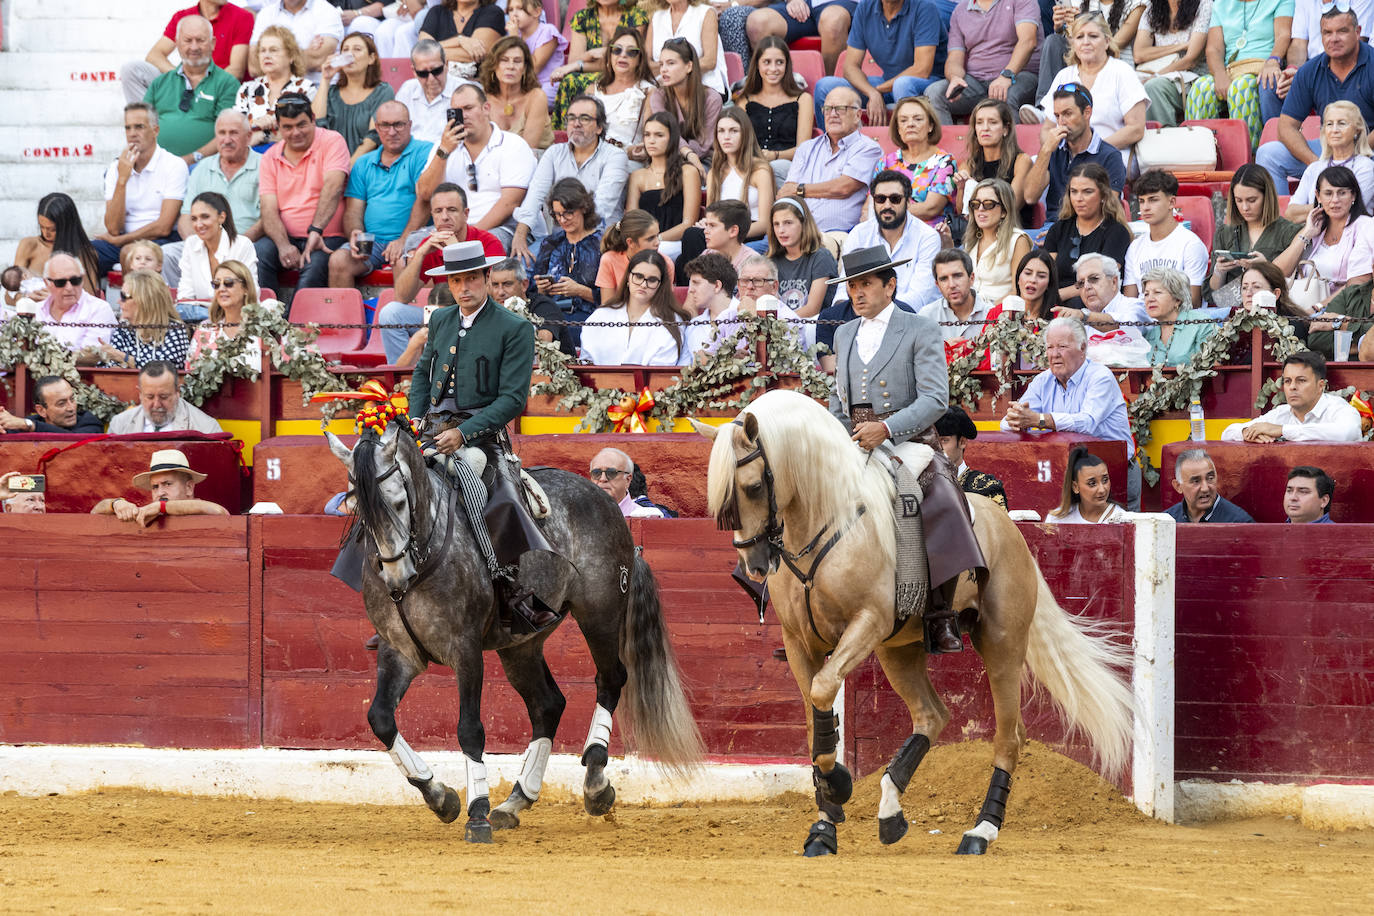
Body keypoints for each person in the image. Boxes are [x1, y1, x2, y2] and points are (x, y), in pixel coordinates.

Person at [825, 244, 986, 654]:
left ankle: (939, 613)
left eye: (866, 285)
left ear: (890, 285)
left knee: (943, 499)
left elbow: (934, 398)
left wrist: (887, 428)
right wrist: (842, 437)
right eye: (852, 286)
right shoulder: (844, 334)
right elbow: (837, 402)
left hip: (909, 440)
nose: (857, 294)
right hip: (856, 441)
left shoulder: (919, 329)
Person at [410, 238, 567, 631]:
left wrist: (464, 434)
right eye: (456, 280)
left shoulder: (513, 328)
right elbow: (420, 375)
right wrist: (415, 422)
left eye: (471, 279)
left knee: (498, 497)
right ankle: (388, 591)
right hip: (430, 428)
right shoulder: (442, 319)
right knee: (385, 481)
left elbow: (513, 400)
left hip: (481, 435)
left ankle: (510, 587)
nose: (463, 288)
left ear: (485, 277)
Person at [1001, 317, 1139, 508]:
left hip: (1112, 475)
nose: (1054, 354)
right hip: (1067, 478)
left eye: (1062, 347)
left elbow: (1087, 422)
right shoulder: (1043, 381)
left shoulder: (1100, 377)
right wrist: (1018, 419)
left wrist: (1040, 420)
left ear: (1082, 348)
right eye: (1050, 347)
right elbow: (1005, 424)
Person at [1256, 6, 1374, 194]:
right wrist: (1317, 165)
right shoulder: (1310, 70)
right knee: (1268, 154)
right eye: (1327, 33)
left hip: (1368, 149)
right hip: (1328, 149)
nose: (1333, 39)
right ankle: (1282, 223)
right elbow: (1286, 127)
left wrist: (1354, 155)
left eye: (1342, 31)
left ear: (1357, 32)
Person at [383, 183, 506, 362]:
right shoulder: (429, 244)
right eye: (438, 211)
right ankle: (401, 379)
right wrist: (420, 254)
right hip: (441, 313)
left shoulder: (487, 242)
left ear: (466, 214)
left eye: (452, 210)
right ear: (432, 215)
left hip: (480, 314)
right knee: (391, 313)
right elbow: (402, 296)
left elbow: (493, 294)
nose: (445, 217)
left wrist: (455, 249)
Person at [416, 84, 539, 249]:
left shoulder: (513, 144)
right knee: (413, 243)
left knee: (488, 244)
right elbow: (425, 193)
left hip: (504, 228)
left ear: (486, 108)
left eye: (468, 108)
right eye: (457, 111)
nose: (463, 116)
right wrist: (444, 151)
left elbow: (510, 203)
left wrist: (468, 237)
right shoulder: (443, 146)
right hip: (455, 230)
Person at [511, 95, 630, 266]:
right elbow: (535, 196)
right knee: (521, 265)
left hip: (599, 239)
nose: (576, 123)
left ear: (599, 128)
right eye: (572, 118)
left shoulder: (615, 156)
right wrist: (520, 235)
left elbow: (602, 205)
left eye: (585, 118)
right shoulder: (554, 153)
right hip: (560, 239)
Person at [253, 93, 351, 301]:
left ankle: (296, 328)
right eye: (288, 127)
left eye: (302, 125)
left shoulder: (332, 141)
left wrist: (316, 230)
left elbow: (332, 188)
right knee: (257, 255)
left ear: (313, 119)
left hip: (327, 236)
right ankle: (269, 322)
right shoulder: (271, 156)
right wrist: (282, 245)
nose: (295, 132)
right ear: (278, 128)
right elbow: (268, 209)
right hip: (286, 237)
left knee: (313, 270)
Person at [327, 100, 433, 289]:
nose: (392, 132)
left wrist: (404, 240)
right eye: (385, 125)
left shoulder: (425, 152)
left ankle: (405, 318)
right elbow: (353, 211)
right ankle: (345, 320)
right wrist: (355, 233)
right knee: (338, 261)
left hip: (414, 238)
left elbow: (425, 201)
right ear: (376, 127)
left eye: (398, 124)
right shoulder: (363, 163)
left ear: (409, 125)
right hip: (373, 242)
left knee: (410, 260)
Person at [166, 111, 264, 290]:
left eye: (233, 133)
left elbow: (267, 218)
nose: (227, 139)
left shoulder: (264, 165)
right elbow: (186, 217)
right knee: (165, 255)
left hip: (245, 242)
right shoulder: (203, 168)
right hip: (202, 241)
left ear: (249, 137)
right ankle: (179, 308)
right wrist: (199, 245)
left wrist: (235, 244)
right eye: (222, 133)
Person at [1029, 12, 1147, 158]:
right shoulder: (1064, 76)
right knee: (1028, 167)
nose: (1086, 42)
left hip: (1109, 155)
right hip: (1067, 156)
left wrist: (1092, 150)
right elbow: (1047, 129)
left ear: (1107, 41)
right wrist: (1059, 154)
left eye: (1093, 36)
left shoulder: (1122, 72)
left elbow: (1136, 129)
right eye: (1079, 37)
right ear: (1073, 44)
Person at [812, 0, 945, 127]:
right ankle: (832, 148)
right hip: (887, 83)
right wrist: (872, 93)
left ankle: (911, 149)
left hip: (926, 83)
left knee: (902, 84)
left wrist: (877, 91)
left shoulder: (925, 7)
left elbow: (921, 70)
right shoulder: (865, 7)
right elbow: (850, 67)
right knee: (825, 87)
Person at [93, 104, 190, 277]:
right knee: (84, 252)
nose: (132, 133)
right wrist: (122, 179)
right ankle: (92, 302)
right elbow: (113, 228)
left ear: (156, 130)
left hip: (160, 240)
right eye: (128, 128)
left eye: (139, 127)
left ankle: (131, 302)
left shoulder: (174, 165)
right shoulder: (116, 168)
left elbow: (164, 227)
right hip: (123, 238)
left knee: (131, 252)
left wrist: (121, 241)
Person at [1182, 0, 1293, 148]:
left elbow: (1283, 35)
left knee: (1241, 88)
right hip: (1231, 68)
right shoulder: (1221, 4)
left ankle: (1248, 158)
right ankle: (1199, 154)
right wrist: (1219, 74)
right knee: (1200, 89)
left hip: (1262, 66)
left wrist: (1273, 61)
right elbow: (1213, 49)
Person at [778, 85, 884, 236]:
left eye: (840, 108)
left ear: (857, 115)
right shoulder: (806, 148)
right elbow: (787, 192)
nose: (832, 114)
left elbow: (843, 188)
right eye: (827, 109)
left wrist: (800, 189)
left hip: (838, 234)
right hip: (798, 233)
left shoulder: (868, 149)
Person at [832, 170, 942, 311]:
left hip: (908, 318)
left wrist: (879, 313)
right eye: (880, 199)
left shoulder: (927, 237)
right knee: (826, 319)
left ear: (908, 202)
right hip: (861, 314)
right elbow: (844, 288)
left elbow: (920, 296)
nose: (887, 205)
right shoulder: (859, 233)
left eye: (895, 199)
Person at [143, 15, 242, 164]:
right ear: (177, 44)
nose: (194, 47)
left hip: (203, 165)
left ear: (213, 43)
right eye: (188, 41)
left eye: (200, 40)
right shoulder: (159, 83)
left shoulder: (227, 84)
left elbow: (228, 135)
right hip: (158, 166)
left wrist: (192, 158)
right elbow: (142, 126)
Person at [1273, 165, 1374, 310]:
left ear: (1353, 195)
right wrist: (1307, 232)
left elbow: (1359, 282)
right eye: (1328, 193)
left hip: (1344, 309)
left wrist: (1318, 308)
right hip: (1302, 308)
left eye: (1342, 193)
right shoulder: (1315, 227)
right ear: (1318, 196)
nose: (1335, 200)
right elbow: (1277, 273)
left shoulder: (1366, 226)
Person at [926, 0, 1042, 124]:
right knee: (934, 93)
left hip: (1019, 74)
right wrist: (955, 78)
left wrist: (1007, 75)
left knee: (1007, 94)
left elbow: (1028, 41)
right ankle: (946, 144)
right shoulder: (960, 10)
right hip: (976, 81)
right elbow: (954, 57)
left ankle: (1012, 143)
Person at [1023, 84, 1127, 218]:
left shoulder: (1110, 156)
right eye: (1057, 115)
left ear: (1087, 112)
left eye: (1067, 114)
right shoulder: (1051, 151)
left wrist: (1064, 232)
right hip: (1052, 227)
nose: (1061, 122)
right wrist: (1045, 150)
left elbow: (1107, 210)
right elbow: (1030, 197)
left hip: (1090, 229)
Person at [121, 0, 254, 104]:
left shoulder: (242, 17)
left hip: (219, 90)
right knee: (132, 70)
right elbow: (154, 55)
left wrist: (202, 85)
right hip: (187, 87)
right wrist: (182, 78)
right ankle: (152, 129)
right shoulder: (182, 16)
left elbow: (236, 71)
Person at [1042, 162, 1133, 309]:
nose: (1079, 198)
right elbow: (1044, 271)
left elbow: (1103, 281)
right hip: (1055, 301)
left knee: (1079, 303)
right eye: (1074, 191)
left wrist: (1055, 296)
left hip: (1094, 303)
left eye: (1087, 191)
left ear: (1103, 195)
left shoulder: (1116, 232)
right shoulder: (1058, 228)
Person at [552, 0, 652, 130]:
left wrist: (588, 60)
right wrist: (589, 55)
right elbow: (575, 60)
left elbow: (627, 57)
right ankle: (566, 133)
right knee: (570, 80)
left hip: (623, 75)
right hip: (592, 74)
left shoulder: (635, 16)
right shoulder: (582, 17)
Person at [1221, 350, 1362, 441]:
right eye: (1287, 381)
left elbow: (1348, 433)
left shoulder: (1338, 408)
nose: (1292, 387)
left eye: (1301, 380)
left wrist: (1282, 430)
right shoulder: (1281, 413)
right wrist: (1248, 433)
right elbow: (1227, 433)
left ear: (1321, 386)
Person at [580, 250, 693, 364]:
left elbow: (662, 370)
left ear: (660, 285)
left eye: (652, 280)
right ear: (628, 277)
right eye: (639, 277)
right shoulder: (601, 315)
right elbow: (586, 362)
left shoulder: (672, 320)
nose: (644, 285)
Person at [1210, 164, 1302, 299]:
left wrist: (1265, 267)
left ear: (1266, 197)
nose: (1245, 207)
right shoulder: (1225, 232)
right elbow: (1212, 292)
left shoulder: (1288, 232)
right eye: (1239, 200)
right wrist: (1219, 271)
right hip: (1231, 310)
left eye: (1252, 200)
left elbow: (1293, 283)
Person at [528, 178, 605, 333]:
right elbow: (533, 294)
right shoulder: (551, 243)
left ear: (583, 208)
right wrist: (542, 290)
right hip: (553, 318)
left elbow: (614, 298)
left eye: (568, 213)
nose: (562, 220)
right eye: (557, 214)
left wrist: (579, 291)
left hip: (592, 319)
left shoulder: (602, 244)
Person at [1121, 169, 1208, 304]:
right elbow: (1129, 303)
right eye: (1141, 201)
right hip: (1141, 320)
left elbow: (1193, 302)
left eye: (1153, 200)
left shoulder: (1190, 244)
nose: (1145, 207)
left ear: (1171, 202)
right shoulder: (1135, 247)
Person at [872, 95, 958, 231]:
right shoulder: (886, 162)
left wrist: (887, 212)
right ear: (898, 129)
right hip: (887, 233)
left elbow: (930, 208)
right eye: (903, 120)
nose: (910, 124)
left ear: (930, 126)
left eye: (918, 119)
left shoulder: (944, 162)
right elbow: (870, 205)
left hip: (928, 234)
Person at [734, 36, 815, 180]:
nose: (773, 68)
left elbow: (803, 150)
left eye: (779, 62)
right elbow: (740, 144)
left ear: (787, 65)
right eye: (767, 62)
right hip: (751, 165)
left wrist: (775, 155)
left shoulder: (803, 99)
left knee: (771, 169)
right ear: (757, 65)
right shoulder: (744, 100)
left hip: (788, 167)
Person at [625, 112, 703, 262]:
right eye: (647, 135)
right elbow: (632, 220)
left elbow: (688, 223)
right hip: (644, 244)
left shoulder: (688, 172)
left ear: (672, 138)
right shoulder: (638, 175)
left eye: (659, 135)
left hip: (675, 244)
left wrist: (655, 239)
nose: (651, 140)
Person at [311, 31, 395, 162]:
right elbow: (315, 126)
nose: (350, 54)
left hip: (365, 166)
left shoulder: (383, 91)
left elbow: (372, 138)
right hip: (328, 164)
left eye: (357, 49)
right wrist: (325, 79)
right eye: (345, 50)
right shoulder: (331, 92)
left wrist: (347, 168)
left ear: (371, 58)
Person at [954, 99, 1036, 230]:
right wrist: (962, 189)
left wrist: (977, 196)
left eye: (992, 122)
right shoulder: (968, 165)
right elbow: (962, 212)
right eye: (979, 123)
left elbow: (1012, 206)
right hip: (976, 234)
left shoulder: (1021, 161)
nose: (985, 128)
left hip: (1010, 233)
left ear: (1005, 129)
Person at [177, 191, 260, 320]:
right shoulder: (191, 244)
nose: (198, 224)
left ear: (221, 217)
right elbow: (185, 296)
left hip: (236, 318)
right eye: (194, 219)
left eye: (205, 217)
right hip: (198, 319)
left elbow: (250, 292)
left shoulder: (242, 245)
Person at [1286, 101, 1374, 222]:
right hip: (1315, 237)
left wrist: (1315, 208)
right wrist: (1330, 206)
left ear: (1357, 130)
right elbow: (1290, 213)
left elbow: (1350, 210)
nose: (1334, 130)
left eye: (1342, 123)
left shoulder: (1366, 167)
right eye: (1329, 124)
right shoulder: (1314, 168)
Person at [91, 449, 229, 525]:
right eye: (155, 487)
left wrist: (161, 507)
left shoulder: (201, 509)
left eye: (168, 484)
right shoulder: (149, 512)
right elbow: (95, 513)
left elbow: (220, 512)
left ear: (189, 487)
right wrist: (116, 503)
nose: (160, 492)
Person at [237, 26, 320, 149]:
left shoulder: (305, 88)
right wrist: (256, 125)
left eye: (273, 50)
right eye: (262, 50)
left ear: (291, 56)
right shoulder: (247, 89)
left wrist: (262, 135)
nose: (267, 55)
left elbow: (308, 132)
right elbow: (237, 133)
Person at [646, 38, 723, 169]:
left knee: (687, 172)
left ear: (689, 66)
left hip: (703, 161)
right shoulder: (658, 96)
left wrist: (682, 150)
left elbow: (703, 146)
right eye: (661, 64)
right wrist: (686, 151)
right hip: (666, 158)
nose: (663, 69)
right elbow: (663, 133)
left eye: (670, 63)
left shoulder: (712, 99)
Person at [1135, 0, 1213, 127]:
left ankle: (1164, 139)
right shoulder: (1152, 9)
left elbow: (1190, 60)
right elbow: (1139, 54)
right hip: (1162, 74)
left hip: (1192, 78)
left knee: (1153, 86)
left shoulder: (1204, 5)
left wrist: (1156, 76)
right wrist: (1180, 46)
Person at [705, 109, 775, 243]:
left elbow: (765, 223)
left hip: (750, 233)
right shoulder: (714, 173)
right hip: (721, 233)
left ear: (745, 134)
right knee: (692, 235)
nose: (726, 137)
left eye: (733, 131)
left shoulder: (760, 170)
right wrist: (707, 225)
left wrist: (728, 234)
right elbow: (710, 216)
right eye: (721, 131)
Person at [101, 270, 193, 369]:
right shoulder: (123, 329)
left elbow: (166, 369)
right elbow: (111, 368)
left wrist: (125, 358)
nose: (118, 301)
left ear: (144, 300)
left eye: (124, 296)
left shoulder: (175, 330)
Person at [186, 261, 268, 371]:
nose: (221, 289)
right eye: (216, 284)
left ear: (246, 288)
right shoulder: (205, 329)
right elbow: (190, 371)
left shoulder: (263, 328)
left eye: (228, 283)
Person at [479, 34, 555, 151]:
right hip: (491, 161)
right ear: (494, 65)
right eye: (504, 60)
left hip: (533, 160)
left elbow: (528, 149)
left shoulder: (536, 97)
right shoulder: (482, 97)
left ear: (525, 68)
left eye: (517, 61)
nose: (511, 66)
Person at [14, 193, 100, 295]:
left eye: (53, 229)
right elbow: (9, 294)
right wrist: (28, 297)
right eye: (42, 227)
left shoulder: (84, 253)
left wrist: (53, 299)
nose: (46, 233)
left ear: (67, 227)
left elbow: (89, 298)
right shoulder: (29, 245)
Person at [963, 178, 1031, 303]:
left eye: (988, 204)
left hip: (1001, 313)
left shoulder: (1018, 240)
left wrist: (988, 311)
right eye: (976, 204)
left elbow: (1019, 289)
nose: (981, 209)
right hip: (970, 310)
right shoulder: (971, 241)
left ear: (1004, 211)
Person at [744, 0, 857, 76]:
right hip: (805, 3)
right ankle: (771, 94)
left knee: (833, 21)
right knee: (757, 23)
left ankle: (830, 94)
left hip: (845, 4)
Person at [108, 361, 224, 434]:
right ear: (140, 393)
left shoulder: (206, 429)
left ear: (177, 392)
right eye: (150, 396)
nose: (157, 404)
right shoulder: (119, 425)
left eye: (163, 397)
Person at [767, 197, 838, 316]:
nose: (781, 230)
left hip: (811, 325)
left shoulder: (821, 257)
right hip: (778, 328)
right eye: (776, 224)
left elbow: (812, 309)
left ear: (803, 224)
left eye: (788, 223)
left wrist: (779, 324)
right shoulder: (770, 261)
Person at [589, 27, 658, 150]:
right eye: (617, 50)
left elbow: (651, 139)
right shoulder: (593, 89)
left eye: (631, 52)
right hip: (591, 155)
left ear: (640, 59)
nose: (623, 55)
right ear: (609, 56)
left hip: (627, 160)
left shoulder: (649, 92)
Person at [920, 248, 996, 357]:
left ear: (971, 278)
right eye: (944, 279)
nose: (951, 285)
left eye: (957, 276)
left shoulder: (990, 314)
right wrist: (943, 349)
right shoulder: (926, 316)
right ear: (937, 285)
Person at [37, 254, 119, 354]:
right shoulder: (36, 310)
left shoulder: (99, 309)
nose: (69, 288)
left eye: (75, 281)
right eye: (60, 282)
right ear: (46, 283)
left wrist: (44, 357)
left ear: (83, 279)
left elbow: (93, 356)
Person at [645, 0, 730, 98]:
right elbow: (646, 63)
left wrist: (674, 70)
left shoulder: (705, 13)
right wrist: (674, 68)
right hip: (662, 87)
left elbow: (709, 62)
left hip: (702, 86)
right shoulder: (656, 17)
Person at [596, 210, 676, 307]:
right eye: (650, 238)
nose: (657, 242)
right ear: (630, 242)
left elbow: (664, 305)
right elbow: (607, 305)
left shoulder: (666, 263)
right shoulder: (609, 259)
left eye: (657, 236)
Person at [249, 0, 346, 79]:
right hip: (272, 90)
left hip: (318, 89)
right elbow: (253, 66)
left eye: (273, 50)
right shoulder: (265, 14)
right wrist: (305, 52)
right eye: (273, 50)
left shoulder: (327, 11)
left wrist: (274, 59)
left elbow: (318, 60)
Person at [935, 405, 1008, 509]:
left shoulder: (985, 488)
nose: (937, 448)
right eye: (932, 441)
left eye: (944, 440)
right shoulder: (920, 485)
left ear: (962, 442)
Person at [395, 39, 465, 145]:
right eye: (423, 73)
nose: (431, 78)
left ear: (446, 65)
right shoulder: (407, 90)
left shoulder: (464, 90)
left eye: (436, 71)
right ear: (414, 71)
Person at [1141, 266, 1214, 366]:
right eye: (1146, 294)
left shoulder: (1201, 324)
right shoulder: (1148, 335)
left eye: (1157, 292)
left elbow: (1213, 367)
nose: (1150, 299)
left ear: (1177, 299)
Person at [1166, 448, 1255, 523]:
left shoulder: (1239, 522)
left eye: (1210, 478)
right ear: (1178, 486)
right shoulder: (1167, 521)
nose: (1205, 488)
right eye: (1196, 481)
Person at [682, 251, 745, 356]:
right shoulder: (693, 326)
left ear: (717, 286)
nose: (690, 290)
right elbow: (683, 368)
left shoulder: (747, 319)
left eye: (696, 283)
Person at [1044, 446, 1128, 523]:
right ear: (1075, 487)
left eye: (1105, 480)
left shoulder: (1123, 520)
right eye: (1092, 483)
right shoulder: (1056, 520)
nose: (1102, 490)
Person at [1071, 251, 1151, 331]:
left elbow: (1126, 327)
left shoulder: (1135, 307)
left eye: (1094, 279)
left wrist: (1085, 316)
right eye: (1081, 283)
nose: (1086, 287)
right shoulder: (1080, 323)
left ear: (1114, 282)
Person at [0, 377, 104, 434]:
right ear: (41, 411)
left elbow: (73, 440)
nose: (71, 408)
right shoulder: (28, 424)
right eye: (61, 403)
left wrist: (29, 426)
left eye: (72, 399)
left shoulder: (90, 422)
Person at [679, 199, 756, 275]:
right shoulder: (706, 254)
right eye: (706, 225)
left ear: (733, 231)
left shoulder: (753, 264)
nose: (705, 231)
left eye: (712, 225)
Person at [986, 247, 1062, 324]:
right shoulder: (996, 313)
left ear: (1049, 283)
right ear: (1018, 278)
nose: (1033, 280)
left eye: (1041, 276)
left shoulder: (1060, 318)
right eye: (1028, 273)